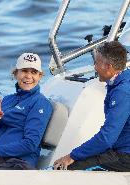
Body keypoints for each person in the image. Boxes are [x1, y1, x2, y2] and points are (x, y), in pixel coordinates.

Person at [53, 41, 130, 172]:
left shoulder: (122, 91)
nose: (94, 67)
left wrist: (72, 156)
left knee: (64, 168)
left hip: (125, 156)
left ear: (108, 66)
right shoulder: (122, 81)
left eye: (97, 63)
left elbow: (107, 138)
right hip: (120, 148)